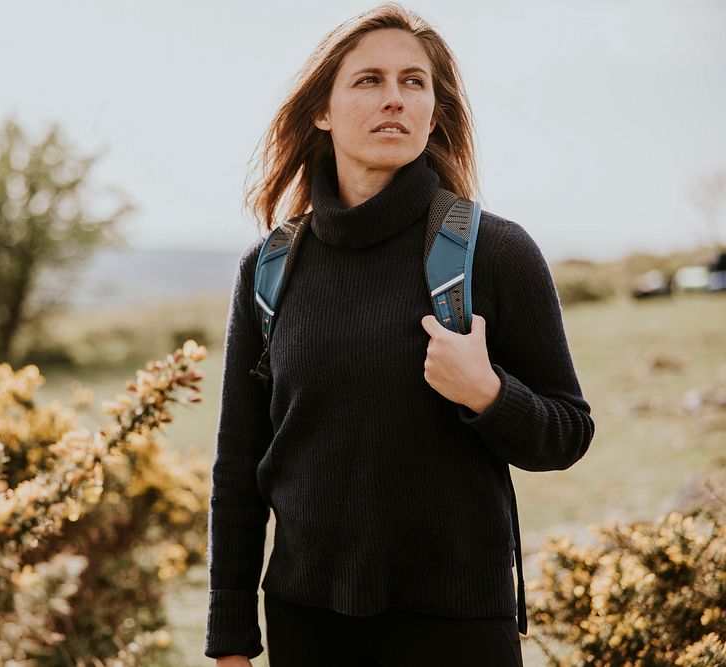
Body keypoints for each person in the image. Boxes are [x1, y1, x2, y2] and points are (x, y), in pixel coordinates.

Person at [203, 3, 595, 666]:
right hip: (307, 626)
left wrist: (488, 394)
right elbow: (239, 471)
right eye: (369, 80)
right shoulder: (270, 268)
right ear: (320, 110)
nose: (395, 99)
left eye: (414, 83)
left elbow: (569, 430)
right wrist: (230, 642)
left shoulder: (495, 253)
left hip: (458, 628)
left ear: (433, 112)